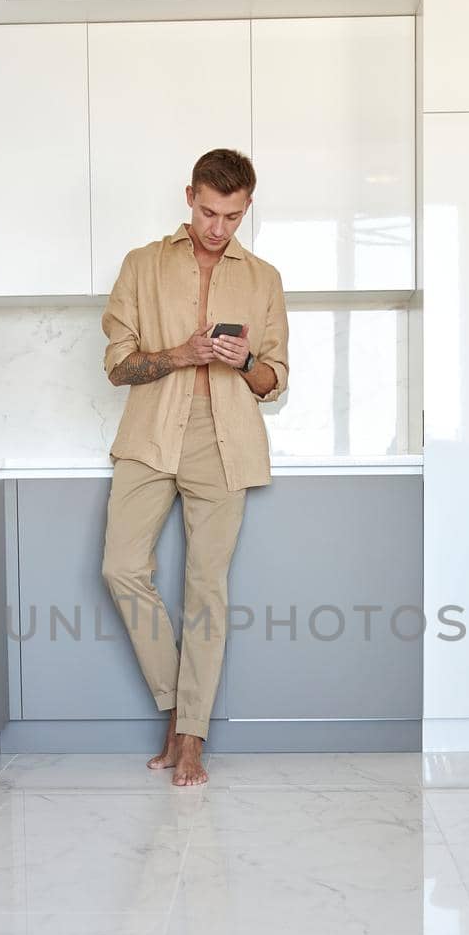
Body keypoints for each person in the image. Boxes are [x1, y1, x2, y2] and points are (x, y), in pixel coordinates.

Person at [100, 148, 289, 787]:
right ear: (190, 197)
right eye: (209, 211)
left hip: (225, 437)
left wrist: (240, 362)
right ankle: (179, 704)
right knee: (121, 566)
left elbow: (275, 380)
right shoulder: (142, 265)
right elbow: (118, 364)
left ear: (246, 209)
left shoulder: (263, 278)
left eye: (232, 216)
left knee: (206, 587)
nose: (218, 227)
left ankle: (191, 738)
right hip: (152, 431)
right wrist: (182, 352)